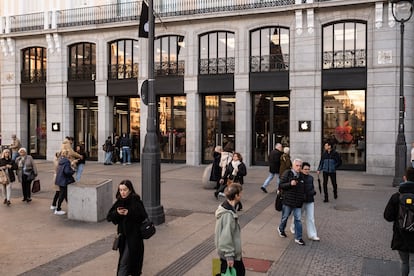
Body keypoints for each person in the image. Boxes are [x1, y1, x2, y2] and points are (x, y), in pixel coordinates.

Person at [107, 180, 148, 276]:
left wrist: (128, 213)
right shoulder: (119, 202)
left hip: (134, 238)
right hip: (123, 238)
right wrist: (117, 213)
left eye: (124, 190)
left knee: (124, 263)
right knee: (125, 262)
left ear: (130, 190)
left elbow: (142, 216)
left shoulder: (136, 201)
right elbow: (109, 217)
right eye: (120, 190)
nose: (122, 192)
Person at [384, 166, 414, 276]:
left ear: (405, 178)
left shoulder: (396, 197)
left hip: (400, 235)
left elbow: (387, 216)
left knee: (404, 262)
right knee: (413, 264)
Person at [215, 183, 246, 276]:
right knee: (239, 272)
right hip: (229, 254)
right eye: (241, 193)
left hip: (229, 252)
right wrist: (229, 256)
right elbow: (226, 236)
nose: (242, 194)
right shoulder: (228, 215)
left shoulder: (226, 208)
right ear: (236, 195)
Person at [277, 158, 306, 245]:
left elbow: (303, 188)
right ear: (293, 166)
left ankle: (298, 237)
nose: (298, 167)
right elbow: (281, 185)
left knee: (298, 219)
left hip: (298, 202)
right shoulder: (287, 173)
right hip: (288, 200)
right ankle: (281, 229)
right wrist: (290, 184)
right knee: (285, 217)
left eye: (300, 166)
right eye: (297, 165)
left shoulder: (301, 175)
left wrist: (303, 197)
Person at [290, 162, 320, 241]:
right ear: (302, 169)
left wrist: (313, 192)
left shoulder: (311, 178)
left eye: (308, 169)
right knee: (298, 216)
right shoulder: (298, 177)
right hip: (301, 200)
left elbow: (312, 187)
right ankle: (292, 226)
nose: (307, 171)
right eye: (305, 169)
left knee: (311, 218)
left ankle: (312, 235)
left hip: (310, 200)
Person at [54, 150, 75, 215]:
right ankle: (58, 209)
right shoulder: (67, 162)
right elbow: (67, 171)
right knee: (62, 195)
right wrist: (73, 170)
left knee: (65, 194)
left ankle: (71, 207)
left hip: (60, 180)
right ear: (67, 155)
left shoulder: (61, 161)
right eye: (69, 154)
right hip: (64, 180)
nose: (70, 155)